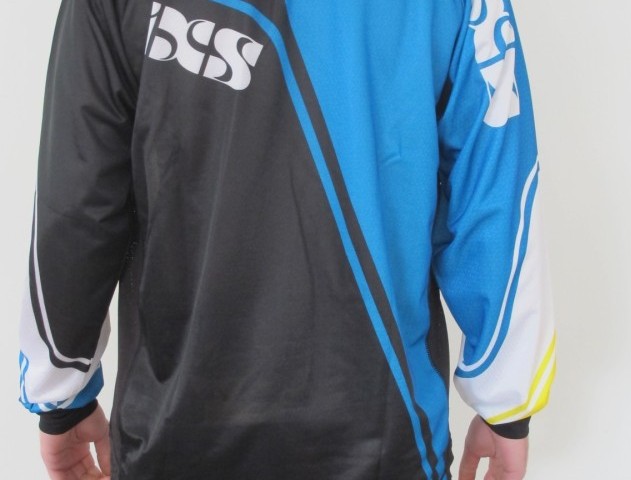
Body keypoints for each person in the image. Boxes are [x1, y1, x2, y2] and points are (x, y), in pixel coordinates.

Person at [19, 0, 555, 478]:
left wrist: (61, 396)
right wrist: (506, 403)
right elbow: (496, 194)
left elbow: (77, 203)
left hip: (176, 433)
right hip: (383, 432)